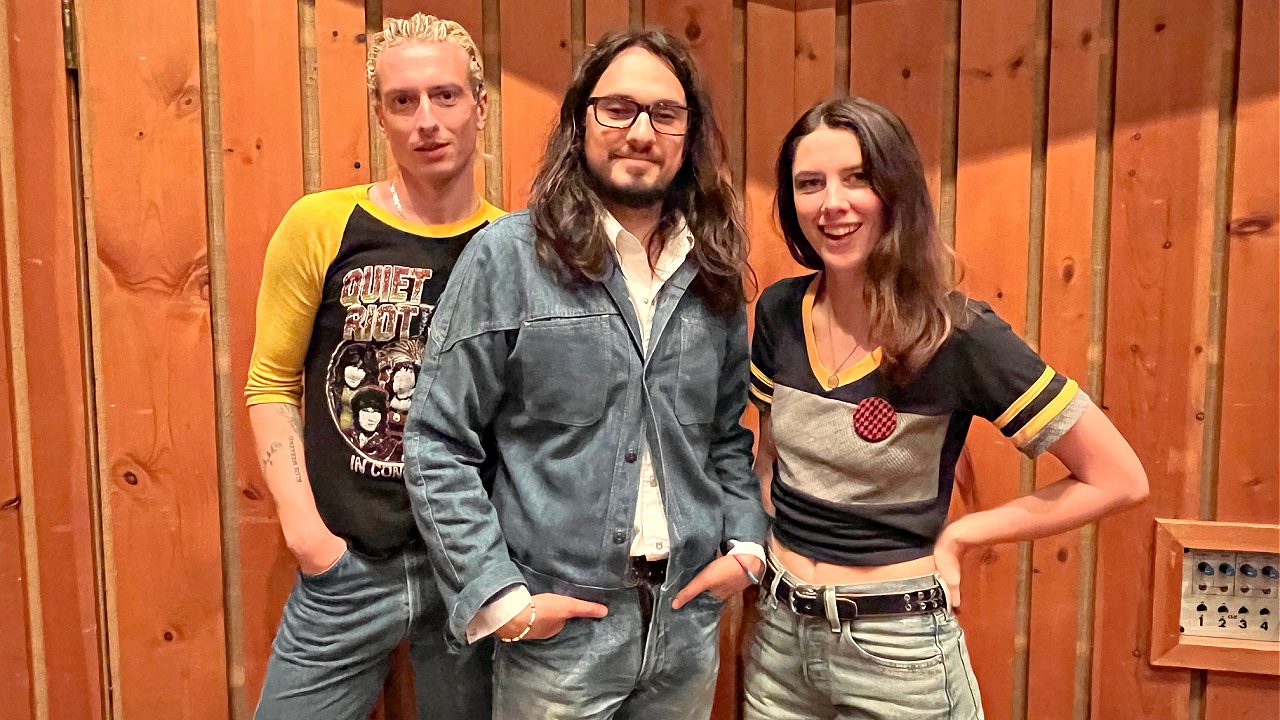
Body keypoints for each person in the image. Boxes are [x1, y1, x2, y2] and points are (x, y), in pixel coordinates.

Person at [742, 96, 1149, 719]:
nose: (832, 203)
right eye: (809, 184)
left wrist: (963, 535)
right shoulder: (777, 312)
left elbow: (1118, 477)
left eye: (857, 178)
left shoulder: (958, 335)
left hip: (895, 651)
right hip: (777, 642)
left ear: (896, 190)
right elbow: (769, 459)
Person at [403, 28, 769, 720]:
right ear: (581, 121)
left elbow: (725, 435)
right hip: (559, 633)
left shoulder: (712, 270)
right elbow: (436, 442)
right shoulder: (507, 258)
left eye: (665, 113)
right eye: (617, 108)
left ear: (689, 134)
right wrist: (499, 598)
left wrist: (747, 545)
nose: (641, 131)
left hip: (687, 623)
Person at [243, 13, 501, 720]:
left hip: (468, 569)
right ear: (380, 116)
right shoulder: (321, 224)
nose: (427, 120)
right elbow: (269, 383)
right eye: (403, 100)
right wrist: (306, 535)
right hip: (347, 567)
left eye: (446, 96)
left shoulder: (511, 248)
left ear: (480, 105)